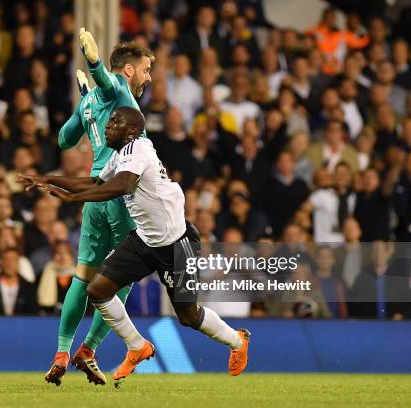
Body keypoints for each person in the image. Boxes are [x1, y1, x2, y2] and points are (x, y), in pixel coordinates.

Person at [19, 106, 250, 384]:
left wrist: (71, 200)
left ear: (131, 131)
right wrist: (48, 179)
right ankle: (137, 346)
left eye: (115, 121)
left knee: (189, 316)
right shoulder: (120, 155)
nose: (108, 125)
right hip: (146, 239)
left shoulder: (137, 149)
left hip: (178, 243)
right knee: (98, 289)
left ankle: (237, 341)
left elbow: (123, 186)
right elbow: (95, 181)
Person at [34, 29, 154, 385]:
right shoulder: (119, 88)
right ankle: (88, 350)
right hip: (119, 195)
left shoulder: (93, 102)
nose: (148, 77)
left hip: (93, 196)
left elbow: (63, 140)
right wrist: (94, 62)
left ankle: (61, 352)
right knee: (125, 275)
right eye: (146, 69)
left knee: (82, 275)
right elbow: (107, 80)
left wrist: (88, 108)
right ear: (128, 70)